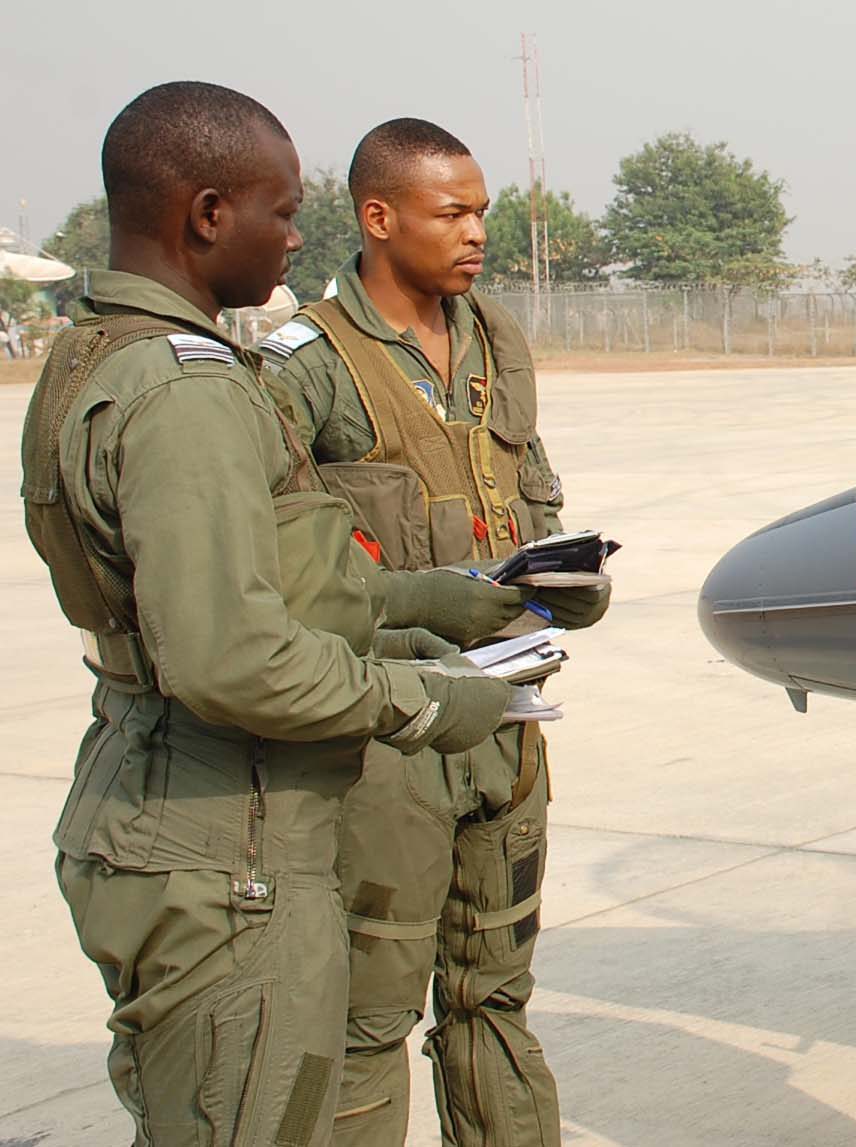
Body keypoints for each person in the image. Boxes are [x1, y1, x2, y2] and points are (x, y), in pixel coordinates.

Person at [19, 82, 517, 1146]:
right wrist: (417, 703)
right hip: (221, 831)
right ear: (207, 215)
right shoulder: (186, 390)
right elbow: (230, 657)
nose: (297, 236)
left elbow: (248, 588)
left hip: (162, 798)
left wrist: (416, 602)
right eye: (281, 212)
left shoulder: (92, 357)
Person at [262, 118, 598, 1147]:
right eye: (451, 210)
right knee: (368, 1016)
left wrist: (566, 579)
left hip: (508, 721)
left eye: (481, 210)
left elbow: (523, 495)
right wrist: (420, 602)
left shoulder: (496, 337)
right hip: (389, 741)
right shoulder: (304, 365)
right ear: (377, 217)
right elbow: (280, 574)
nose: (475, 231)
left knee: (493, 997)